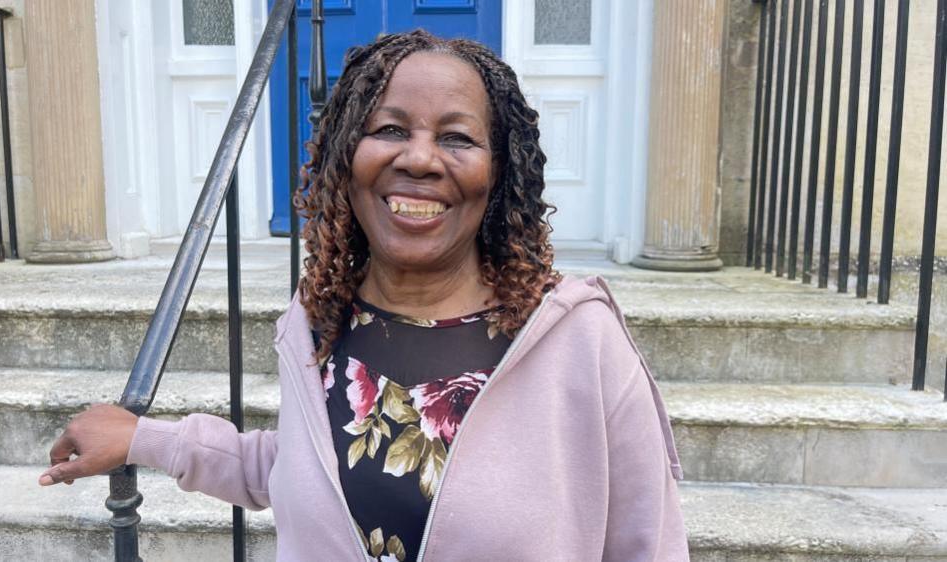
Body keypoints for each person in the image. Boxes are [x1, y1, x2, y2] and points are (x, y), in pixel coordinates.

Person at [40, 30, 688, 561]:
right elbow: (300, 470)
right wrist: (144, 439)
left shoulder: (577, 342)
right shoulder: (318, 323)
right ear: (345, 158)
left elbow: (646, 542)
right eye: (389, 130)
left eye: (456, 138)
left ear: (500, 174)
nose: (420, 159)